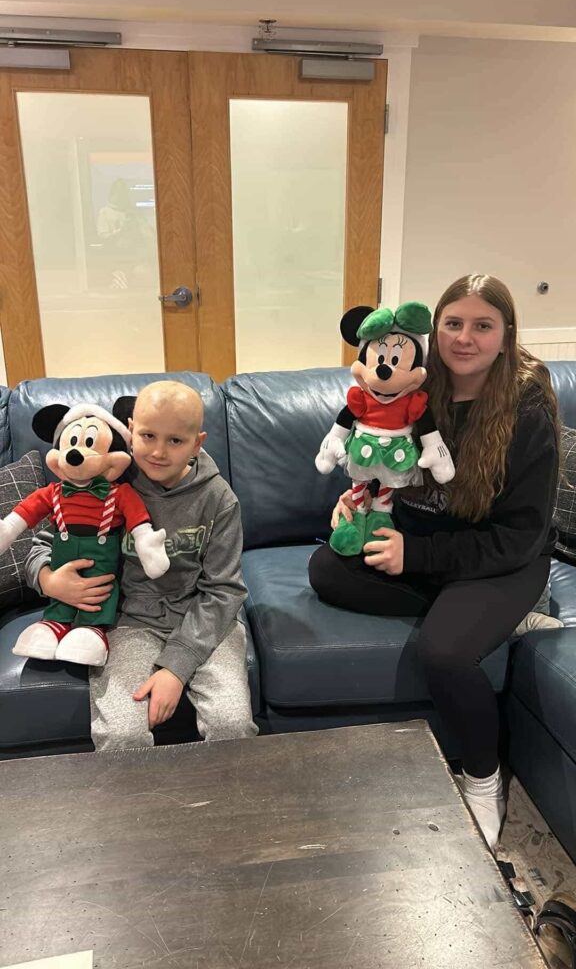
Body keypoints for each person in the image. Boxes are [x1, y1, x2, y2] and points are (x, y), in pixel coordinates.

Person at [309, 274, 560, 850]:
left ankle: (483, 776)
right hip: (425, 551)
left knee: (444, 652)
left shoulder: (526, 407)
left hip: (500, 560)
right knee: (327, 569)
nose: (464, 338)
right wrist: (359, 500)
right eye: (453, 323)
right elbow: (384, 459)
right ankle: (494, 620)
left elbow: (520, 536)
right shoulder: (413, 385)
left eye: (482, 326)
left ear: (506, 334)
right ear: (435, 329)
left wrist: (415, 555)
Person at [25, 380, 257, 749]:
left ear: (197, 443)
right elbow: (42, 543)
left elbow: (224, 590)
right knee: (122, 735)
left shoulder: (219, 499)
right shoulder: (107, 478)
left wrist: (175, 668)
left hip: (205, 622)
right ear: (131, 430)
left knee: (232, 724)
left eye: (175, 441)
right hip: (129, 621)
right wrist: (48, 579)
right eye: (148, 436)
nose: (159, 452)